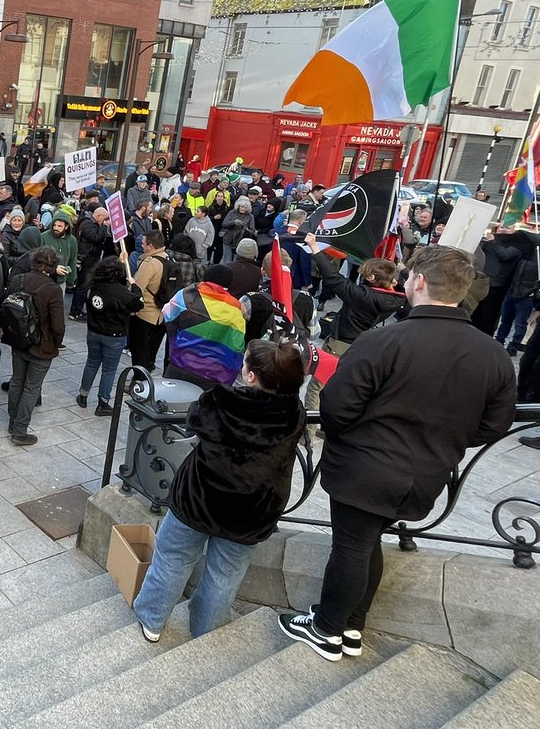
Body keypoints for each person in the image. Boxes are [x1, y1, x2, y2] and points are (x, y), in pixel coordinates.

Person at [279, 246, 515, 660]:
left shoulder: (384, 340)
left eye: (409, 275)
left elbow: (335, 407)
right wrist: (441, 439)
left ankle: (327, 629)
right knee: (366, 544)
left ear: (419, 282)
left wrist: (360, 438)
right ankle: (352, 626)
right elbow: (494, 426)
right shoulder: (493, 354)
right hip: (424, 473)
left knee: (352, 547)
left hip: (365, 468)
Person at [133, 340, 306, 641]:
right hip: (254, 510)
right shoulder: (293, 413)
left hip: (200, 498)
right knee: (224, 575)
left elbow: (193, 423)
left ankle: (152, 619)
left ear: (251, 375)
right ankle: (206, 633)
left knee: (172, 556)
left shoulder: (220, 400)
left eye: (245, 362)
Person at [302, 235, 404, 410]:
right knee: (343, 386)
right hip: (361, 342)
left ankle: (309, 434)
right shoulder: (395, 298)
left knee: (317, 385)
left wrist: (315, 249)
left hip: (340, 343)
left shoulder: (363, 297)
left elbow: (334, 278)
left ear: (372, 278)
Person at [4, 246, 65, 446]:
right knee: (32, 387)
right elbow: (58, 324)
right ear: (52, 266)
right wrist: (56, 343)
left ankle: (13, 423)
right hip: (42, 345)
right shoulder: (52, 289)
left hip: (18, 339)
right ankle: (20, 431)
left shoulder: (17, 280)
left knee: (16, 382)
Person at [162, 264, 247, 390]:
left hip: (180, 364)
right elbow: (236, 346)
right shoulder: (236, 309)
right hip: (213, 376)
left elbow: (167, 315)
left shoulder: (186, 294)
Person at [78, 257, 143, 416]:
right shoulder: (121, 293)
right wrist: (134, 286)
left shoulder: (93, 286)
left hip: (93, 332)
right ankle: (103, 402)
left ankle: (83, 395)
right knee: (109, 370)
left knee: (91, 363)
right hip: (114, 336)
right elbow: (138, 304)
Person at [130, 230, 169, 370]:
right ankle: (148, 371)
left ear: (150, 246)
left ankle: (139, 381)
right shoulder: (168, 258)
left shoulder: (150, 263)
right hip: (162, 315)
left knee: (139, 352)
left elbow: (137, 288)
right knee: (151, 351)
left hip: (145, 314)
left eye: (143, 243)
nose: (141, 245)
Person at [70, 207, 112, 321]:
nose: (107, 220)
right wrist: (103, 227)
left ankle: (77, 310)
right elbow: (96, 238)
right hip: (87, 259)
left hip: (91, 259)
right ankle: (75, 311)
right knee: (83, 286)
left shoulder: (90, 223)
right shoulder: (88, 224)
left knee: (84, 285)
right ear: (99, 216)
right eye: (105, 218)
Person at [40, 210, 77, 296]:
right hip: (44, 280)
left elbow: (72, 260)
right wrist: (53, 269)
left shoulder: (72, 240)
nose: (56, 228)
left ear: (66, 227)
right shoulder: (44, 237)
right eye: (54, 225)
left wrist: (71, 280)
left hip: (61, 282)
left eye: (60, 226)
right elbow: (38, 259)